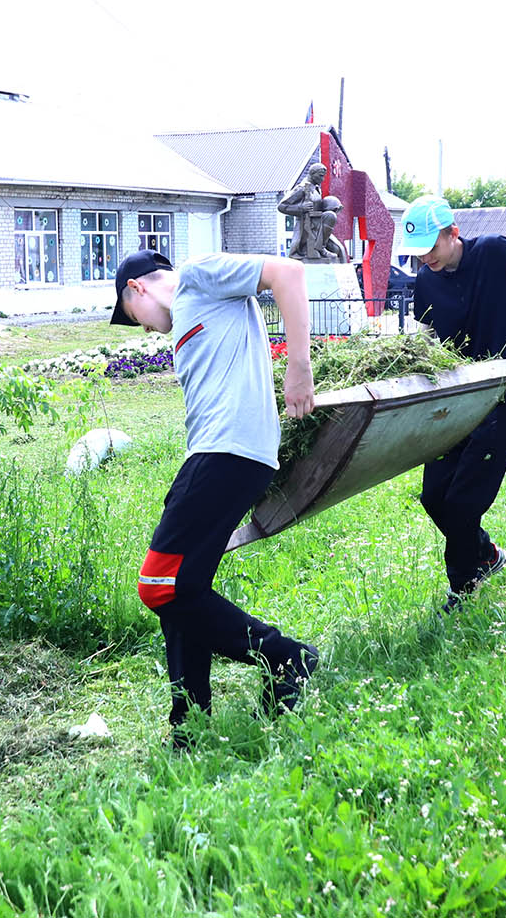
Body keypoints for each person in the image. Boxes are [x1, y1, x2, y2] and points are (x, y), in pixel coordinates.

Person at [111, 247, 322, 745]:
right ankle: (188, 720)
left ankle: (285, 656)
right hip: (212, 453)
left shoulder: (197, 276)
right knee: (182, 588)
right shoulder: (190, 309)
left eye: (130, 315)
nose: (141, 329)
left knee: (158, 585)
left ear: (137, 287)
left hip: (228, 451)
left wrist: (299, 367)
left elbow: (288, 273)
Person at [394, 196, 506, 610]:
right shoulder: (426, 280)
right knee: (434, 497)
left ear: (453, 233)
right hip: (455, 401)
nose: (425, 259)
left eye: (431, 248)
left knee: (462, 504)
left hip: (500, 396)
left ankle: (463, 588)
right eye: (418, 253)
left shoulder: (494, 252)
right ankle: (487, 554)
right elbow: (424, 340)